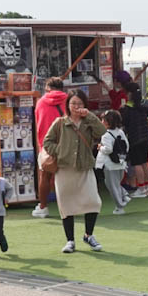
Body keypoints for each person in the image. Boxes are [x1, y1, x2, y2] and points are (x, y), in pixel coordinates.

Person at [43, 90, 107, 253]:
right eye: (73, 103)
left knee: (93, 202)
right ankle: (70, 240)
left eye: (80, 103)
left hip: (84, 167)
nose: (76, 106)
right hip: (64, 169)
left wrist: (90, 115)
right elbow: (47, 142)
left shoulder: (88, 122)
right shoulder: (60, 122)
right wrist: (60, 151)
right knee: (66, 205)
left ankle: (88, 235)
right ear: (68, 105)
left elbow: (102, 131)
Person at [32, 77, 68, 218]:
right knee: (68, 176)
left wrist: (41, 145)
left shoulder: (41, 102)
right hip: (67, 142)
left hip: (47, 143)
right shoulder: (69, 100)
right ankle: (69, 206)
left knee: (45, 176)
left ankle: (43, 207)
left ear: (47, 88)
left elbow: (39, 124)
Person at [121, 82, 148, 199]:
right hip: (146, 136)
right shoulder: (144, 105)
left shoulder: (128, 108)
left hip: (135, 138)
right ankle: (146, 187)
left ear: (129, 93)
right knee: (144, 163)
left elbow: (124, 122)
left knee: (137, 163)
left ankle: (141, 189)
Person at [97, 109, 131, 215]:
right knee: (115, 184)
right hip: (121, 163)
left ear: (108, 122)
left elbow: (108, 149)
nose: (102, 122)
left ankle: (120, 206)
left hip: (110, 164)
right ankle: (124, 196)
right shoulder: (120, 132)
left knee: (112, 186)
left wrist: (100, 147)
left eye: (103, 120)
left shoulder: (106, 135)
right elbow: (127, 146)